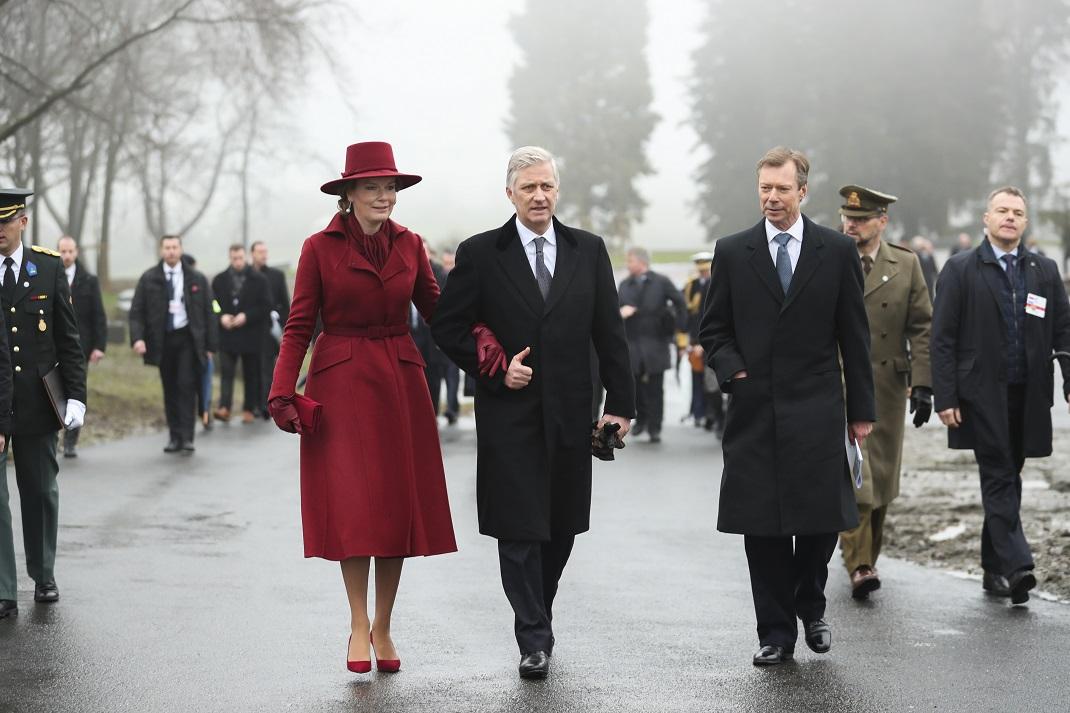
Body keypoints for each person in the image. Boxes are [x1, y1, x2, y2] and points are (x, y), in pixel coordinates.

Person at [432, 145, 635, 680]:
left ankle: (538, 611)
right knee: (519, 529)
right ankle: (534, 637)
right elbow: (448, 327)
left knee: (561, 528)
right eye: (529, 188)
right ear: (510, 195)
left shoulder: (588, 251)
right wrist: (496, 369)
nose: (539, 195)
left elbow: (609, 334)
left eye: (547, 186)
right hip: (510, 416)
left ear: (556, 190)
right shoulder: (479, 253)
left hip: (573, 413)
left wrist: (621, 406)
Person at [267, 141, 457, 674]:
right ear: (348, 194)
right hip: (340, 381)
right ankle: (356, 622)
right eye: (372, 186)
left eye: (391, 186)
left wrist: (489, 353)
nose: (384, 196)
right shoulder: (318, 248)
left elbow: (442, 316)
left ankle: (384, 624)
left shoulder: (412, 245)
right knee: (355, 508)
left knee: (395, 506)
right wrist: (282, 390)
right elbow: (300, 325)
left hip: (400, 378)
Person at [699, 148, 874, 666]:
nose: (771, 198)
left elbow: (855, 337)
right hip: (755, 411)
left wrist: (860, 411)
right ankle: (775, 633)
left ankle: (809, 600)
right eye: (764, 189)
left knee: (821, 522)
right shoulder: (733, 252)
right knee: (764, 529)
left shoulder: (836, 251)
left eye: (781, 189)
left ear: (802, 191)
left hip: (818, 409)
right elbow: (714, 328)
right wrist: (734, 369)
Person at [932, 186, 1070, 605]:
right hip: (979, 394)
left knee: (1011, 474)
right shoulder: (960, 269)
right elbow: (942, 340)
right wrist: (946, 397)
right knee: (996, 473)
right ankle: (1017, 566)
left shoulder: (1043, 270)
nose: (1009, 217)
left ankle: (993, 567)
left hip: (1028, 394)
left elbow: (1063, 328)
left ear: (1025, 222)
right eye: (1002, 211)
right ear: (986, 219)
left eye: (1017, 212)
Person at [837, 186, 932, 599]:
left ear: (882, 221)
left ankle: (867, 559)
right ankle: (858, 564)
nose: (851, 225)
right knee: (853, 475)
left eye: (860, 219)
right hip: (837, 381)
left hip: (888, 386)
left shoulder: (906, 264)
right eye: (847, 218)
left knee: (881, 481)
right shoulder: (829, 257)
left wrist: (925, 384)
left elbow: (922, 327)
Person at [0, 188, 85, 618]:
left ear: (23, 222)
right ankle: (3, 588)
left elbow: (68, 340)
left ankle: (43, 573)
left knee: (39, 493)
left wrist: (77, 398)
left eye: (6, 220)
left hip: (36, 401)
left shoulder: (48, 268)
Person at [129, 235, 218, 453]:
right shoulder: (149, 278)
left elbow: (209, 312)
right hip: (162, 340)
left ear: (180, 249)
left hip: (188, 339)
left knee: (186, 385)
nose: (171, 251)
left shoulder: (196, 277)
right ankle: (174, 436)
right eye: (167, 247)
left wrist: (210, 346)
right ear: (161, 250)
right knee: (169, 388)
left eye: (174, 247)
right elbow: (137, 311)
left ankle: (187, 437)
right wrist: (138, 338)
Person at [617, 247, 687, 443]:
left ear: (641, 262)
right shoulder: (624, 285)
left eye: (630, 261)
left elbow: (680, 303)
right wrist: (622, 312)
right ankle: (642, 420)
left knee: (655, 386)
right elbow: (613, 309)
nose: (628, 265)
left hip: (655, 340)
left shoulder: (661, 282)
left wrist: (675, 326)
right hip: (632, 342)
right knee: (635, 386)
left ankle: (655, 426)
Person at [57, 235, 107, 458]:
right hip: (54, 345)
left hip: (81, 346)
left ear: (76, 252)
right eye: (63, 251)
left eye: (70, 251)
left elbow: (99, 315)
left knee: (76, 389)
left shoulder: (89, 280)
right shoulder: (50, 276)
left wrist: (99, 346)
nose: (66, 256)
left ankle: (71, 439)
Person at [212, 244, 271, 424]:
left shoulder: (259, 280)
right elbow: (213, 303)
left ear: (245, 257)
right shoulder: (219, 280)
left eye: (240, 258)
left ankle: (248, 408)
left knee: (251, 373)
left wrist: (247, 316)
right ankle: (225, 407)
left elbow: (265, 305)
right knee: (226, 372)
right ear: (230, 258)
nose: (237, 262)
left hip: (251, 334)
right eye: (234, 258)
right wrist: (221, 316)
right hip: (228, 335)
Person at [682, 251, 723, 434]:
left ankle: (715, 417)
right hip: (697, 339)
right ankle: (702, 413)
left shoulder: (717, 283)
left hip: (710, 341)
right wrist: (687, 341)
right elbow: (690, 315)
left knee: (713, 382)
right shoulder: (692, 286)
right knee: (700, 380)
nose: (703, 273)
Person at [250, 241, 290, 419]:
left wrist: (282, 326)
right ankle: (253, 404)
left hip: (270, 328)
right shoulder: (247, 275)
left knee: (267, 367)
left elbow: (285, 304)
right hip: (251, 328)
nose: (263, 255)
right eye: (260, 252)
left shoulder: (276, 275)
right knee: (252, 367)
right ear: (252, 254)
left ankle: (265, 404)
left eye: (265, 252)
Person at [910, 235, 939, 302]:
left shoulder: (930, 257)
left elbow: (934, 269)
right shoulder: (916, 256)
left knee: (930, 296)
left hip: (929, 281)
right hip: (920, 280)